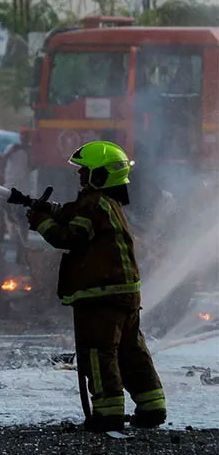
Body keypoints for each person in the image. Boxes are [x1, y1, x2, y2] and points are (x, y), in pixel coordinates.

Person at [25, 141, 166, 432]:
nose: (79, 176)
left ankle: (107, 413)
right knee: (131, 351)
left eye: (85, 171)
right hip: (125, 294)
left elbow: (70, 237)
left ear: (100, 175)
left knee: (99, 354)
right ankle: (152, 406)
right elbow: (75, 215)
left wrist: (41, 222)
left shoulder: (92, 203)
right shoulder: (108, 204)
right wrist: (51, 209)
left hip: (100, 296)